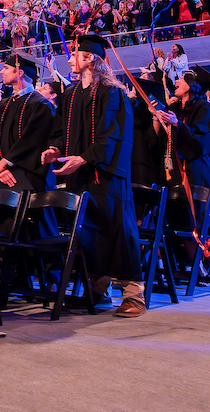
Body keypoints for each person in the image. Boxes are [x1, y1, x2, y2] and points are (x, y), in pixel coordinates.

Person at [42, 34, 146, 317]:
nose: (70, 57)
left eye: (75, 53)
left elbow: (113, 136)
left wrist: (85, 157)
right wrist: (54, 149)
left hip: (107, 176)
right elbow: (61, 130)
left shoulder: (113, 92)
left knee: (118, 232)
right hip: (81, 175)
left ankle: (133, 294)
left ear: (90, 58)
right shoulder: (72, 94)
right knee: (89, 235)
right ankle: (98, 292)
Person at [0, 53, 56, 192]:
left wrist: (5, 162)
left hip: (31, 176)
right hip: (3, 175)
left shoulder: (40, 104)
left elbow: (33, 140)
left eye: (6, 68)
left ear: (19, 72)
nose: (2, 71)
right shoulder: (4, 105)